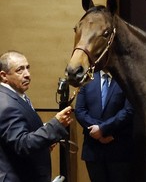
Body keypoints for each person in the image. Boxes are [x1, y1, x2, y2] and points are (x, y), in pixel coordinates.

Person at [0, 50, 73, 182]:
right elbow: (22, 144)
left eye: (27, 68)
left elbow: (24, 132)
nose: (27, 74)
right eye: (19, 70)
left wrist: (45, 139)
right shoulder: (6, 104)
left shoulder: (16, 96)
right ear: (4, 76)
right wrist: (54, 125)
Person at [74, 70, 135, 182]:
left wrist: (103, 129)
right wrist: (98, 132)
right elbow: (79, 111)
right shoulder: (87, 78)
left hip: (119, 147)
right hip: (93, 149)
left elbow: (128, 110)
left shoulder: (125, 78)